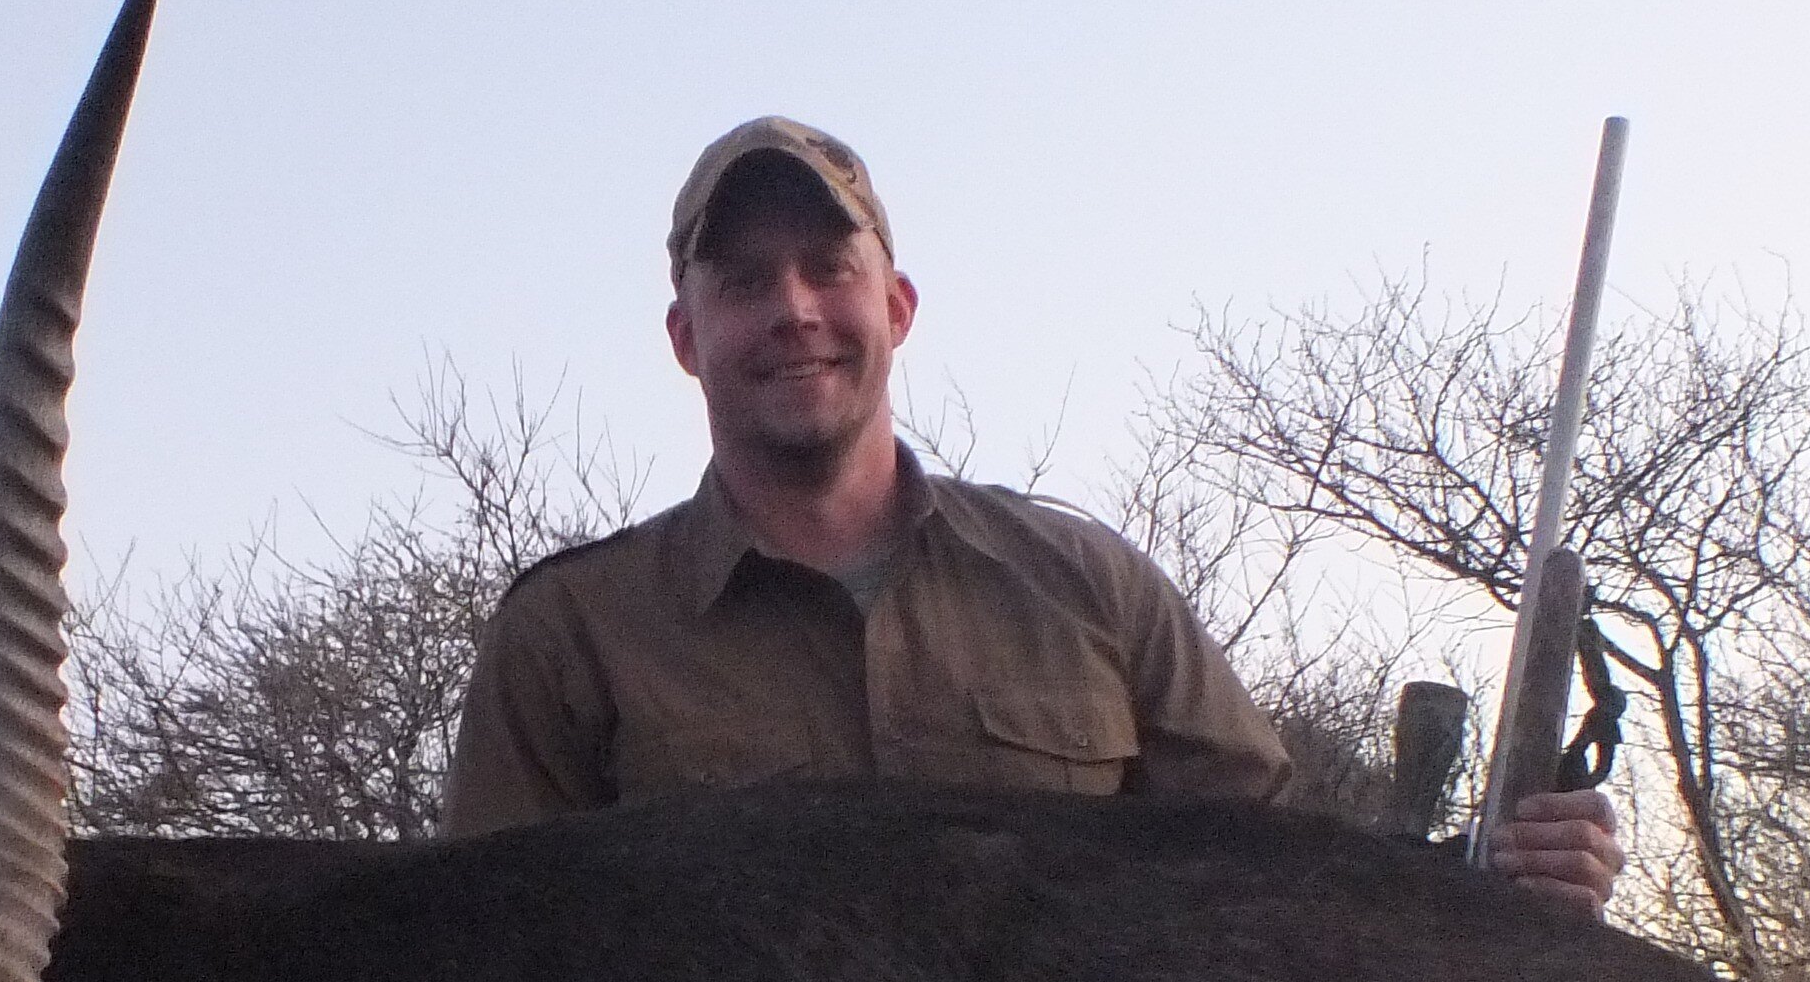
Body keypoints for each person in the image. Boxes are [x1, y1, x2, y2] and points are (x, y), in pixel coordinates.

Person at [441, 114, 1625, 913]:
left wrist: (1496, 888)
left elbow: (1286, 894)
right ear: (686, 340)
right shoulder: (571, 635)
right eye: (744, 282)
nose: (794, 309)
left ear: (896, 307)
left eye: (827, 268)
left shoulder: (1091, 588)